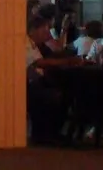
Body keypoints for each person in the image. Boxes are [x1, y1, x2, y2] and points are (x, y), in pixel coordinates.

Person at [26, 16, 80, 144]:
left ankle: (51, 133)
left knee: (66, 92)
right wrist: (67, 61)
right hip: (29, 85)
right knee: (58, 95)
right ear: (33, 30)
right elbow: (40, 63)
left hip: (38, 81)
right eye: (44, 31)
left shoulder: (37, 45)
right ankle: (46, 135)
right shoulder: (26, 43)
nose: (46, 35)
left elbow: (54, 54)